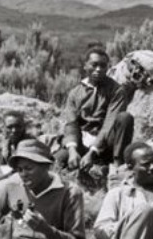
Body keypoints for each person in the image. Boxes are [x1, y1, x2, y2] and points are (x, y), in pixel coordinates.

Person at [57, 46, 134, 177]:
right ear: (85, 66)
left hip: (107, 144)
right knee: (58, 160)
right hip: (83, 141)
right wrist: (72, 150)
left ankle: (117, 166)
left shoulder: (116, 90)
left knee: (124, 118)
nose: (98, 69)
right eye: (94, 65)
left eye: (103, 66)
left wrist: (92, 152)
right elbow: (71, 124)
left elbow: (109, 124)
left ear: (107, 68)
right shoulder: (75, 93)